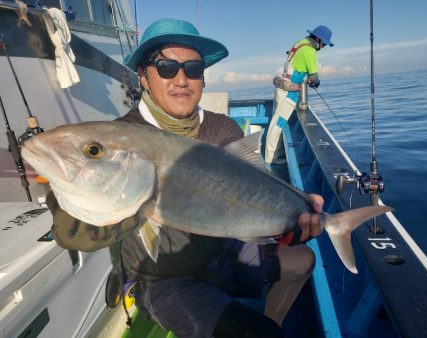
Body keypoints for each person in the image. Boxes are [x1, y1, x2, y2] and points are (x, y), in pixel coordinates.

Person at [47, 18, 325, 338]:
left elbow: (252, 199)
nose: (181, 78)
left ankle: (269, 321)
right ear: (144, 77)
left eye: (192, 68)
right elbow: (75, 233)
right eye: (166, 66)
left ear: (202, 80)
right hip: (164, 279)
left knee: (303, 260)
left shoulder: (221, 129)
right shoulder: (121, 135)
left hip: (222, 256)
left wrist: (293, 226)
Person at [265, 26, 334, 164]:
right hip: (289, 92)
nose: (323, 47)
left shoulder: (300, 43)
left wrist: (304, 79)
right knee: (277, 125)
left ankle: (274, 155)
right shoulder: (310, 51)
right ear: (318, 40)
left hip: (282, 86)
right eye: (324, 44)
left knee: (277, 122)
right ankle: (270, 159)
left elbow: (298, 68)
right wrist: (315, 83)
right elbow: (314, 78)